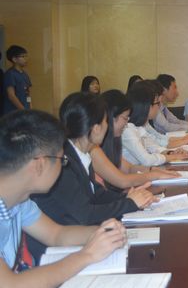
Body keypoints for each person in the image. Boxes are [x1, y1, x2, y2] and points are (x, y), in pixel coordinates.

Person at [0, 110, 127, 288]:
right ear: (39, 164)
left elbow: (56, 234)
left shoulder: (18, 200)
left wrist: (103, 233)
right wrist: (86, 255)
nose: (63, 166)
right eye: (61, 160)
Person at [29, 93, 156, 259]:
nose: (108, 126)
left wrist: (128, 197)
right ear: (95, 128)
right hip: (60, 248)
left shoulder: (81, 153)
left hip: (79, 236)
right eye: (105, 121)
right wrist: (129, 203)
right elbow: (86, 214)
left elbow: (97, 194)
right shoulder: (63, 161)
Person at [90, 90, 179, 191]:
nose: (126, 123)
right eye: (125, 118)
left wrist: (152, 170)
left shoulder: (113, 141)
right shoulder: (94, 149)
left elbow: (129, 168)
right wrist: (154, 175)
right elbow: (122, 180)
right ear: (111, 117)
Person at [123, 82, 188, 166]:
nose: (159, 107)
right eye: (157, 103)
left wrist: (171, 153)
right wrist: (174, 156)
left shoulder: (140, 126)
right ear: (147, 106)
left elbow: (154, 147)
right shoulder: (128, 129)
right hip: (137, 172)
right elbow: (147, 160)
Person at [3, 45, 32, 114]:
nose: (25, 59)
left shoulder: (25, 74)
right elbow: (11, 96)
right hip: (13, 113)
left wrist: (30, 108)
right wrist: (23, 110)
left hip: (25, 112)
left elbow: (28, 94)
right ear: (14, 59)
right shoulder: (10, 74)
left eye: (26, 56)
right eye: (23, 56)